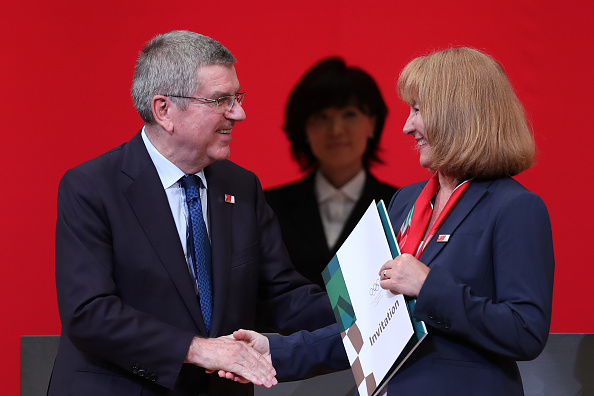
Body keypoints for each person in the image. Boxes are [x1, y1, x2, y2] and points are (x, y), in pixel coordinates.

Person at [238, 47, 555, 396]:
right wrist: (276, 352)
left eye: (418, 110)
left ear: (457, 114)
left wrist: (428, 286)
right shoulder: (405, 200)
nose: (407, 126)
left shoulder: (516, 207)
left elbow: (525, 332)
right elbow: (368, 322)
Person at [48, 30, 337, 396]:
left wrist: (368, 308)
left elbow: (280, 295)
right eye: (221, 100)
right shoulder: (92, 187)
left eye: (237, 97)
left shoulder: (241, 186)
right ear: (164, 110)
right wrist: (196, 349)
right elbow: (89, 314)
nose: (239, 113)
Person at [265, 57, 397, 289]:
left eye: (349, 114)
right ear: (303, 129)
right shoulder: (268, 207)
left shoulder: (397, 207)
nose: (336, 130)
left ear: (372, 123)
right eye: (321, 117)